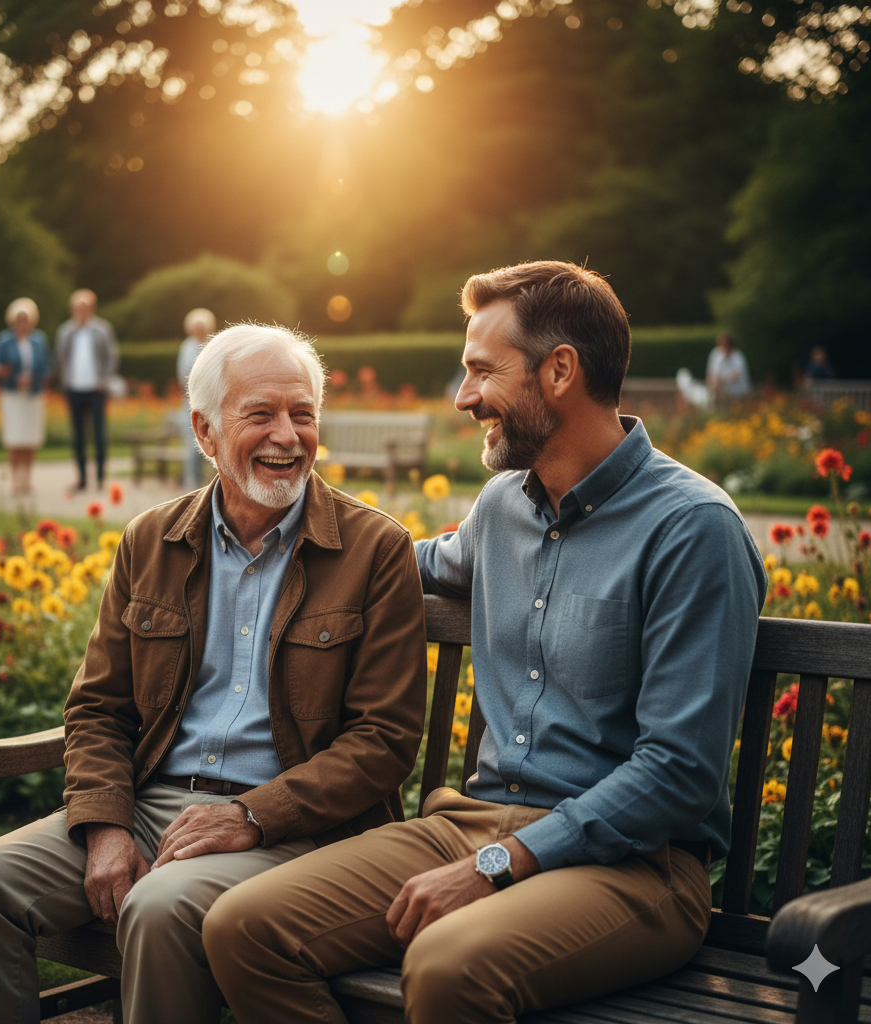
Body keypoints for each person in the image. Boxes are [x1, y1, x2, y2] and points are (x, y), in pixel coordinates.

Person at [202, 261, 768, 1024]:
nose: (465, 396)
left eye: (480, 371)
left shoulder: (692, 528)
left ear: (560, 370)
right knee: (243, 928)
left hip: (637, 867)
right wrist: (253, 530)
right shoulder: (505, 504)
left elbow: (678, 775)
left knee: (447, 965)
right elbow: (407, 561)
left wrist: (499, 864)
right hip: (472, 823)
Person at [0, 323, 428, 1024]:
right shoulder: (151, 540)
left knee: (158, 908)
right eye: (260, 414)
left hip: (298, 829)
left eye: (303, 414)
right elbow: (100, 709)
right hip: (150, 807)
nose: (287, 436)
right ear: (204, 430)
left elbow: (383, 740)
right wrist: (104, 826)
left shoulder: (375, 549)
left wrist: (250, 817)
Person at [54, 288, 119, 491]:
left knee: (99, 434)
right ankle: (81, 478)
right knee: (78, 435)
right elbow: (59, 358)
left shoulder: (102, 329)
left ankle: (100, 477)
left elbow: (112, 356)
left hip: (96, 389)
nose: (81, 311)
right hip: (74, 389)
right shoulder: (65, 331)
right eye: (78, 307)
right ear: (73, 309)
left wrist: (105, 380)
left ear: (91, 308)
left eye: (85, 307)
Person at [0, 298, 51, 496]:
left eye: (25, 319)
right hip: (12, 394)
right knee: (15, 436)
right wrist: (14, 376)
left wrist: (33, 377)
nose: (22, 323)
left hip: (32, 394)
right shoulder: (3, 340)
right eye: (19, 319)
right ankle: (16, 479)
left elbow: (46, 366)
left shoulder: (39, 340)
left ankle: (27, 478)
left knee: (30, 436)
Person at [177, 307, 217, 489]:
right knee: (192, 442)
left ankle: (212, 481)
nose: (199, 330)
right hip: (191, 400)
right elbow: (182, 373)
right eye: (196, 327)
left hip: (212, 399)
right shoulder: (186, 346)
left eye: (202, 327)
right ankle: (191, 481)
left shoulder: (214, 344)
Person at [705, 331, 750, 401]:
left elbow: (736, 376)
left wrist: (721, 380)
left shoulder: (738, 357)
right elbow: (711, 374)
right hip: (720, 388)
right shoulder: (715, 354)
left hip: (737, 388)